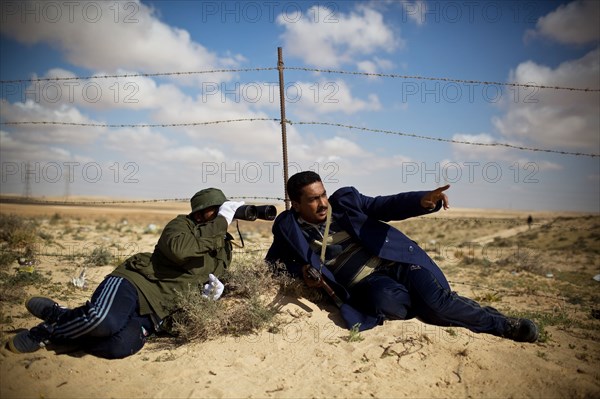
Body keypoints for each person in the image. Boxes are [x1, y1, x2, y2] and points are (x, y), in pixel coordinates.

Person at [266, 171, 538, 343]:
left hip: (398, 264)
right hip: (367, 284)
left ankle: (505, 325)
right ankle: (446, 304)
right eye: (313, 199)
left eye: (323, 194)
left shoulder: (346, 202)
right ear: (297, 204)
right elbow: (274, 264)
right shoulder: (288, 228)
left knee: (437, 307)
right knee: (397, 305)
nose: (323, 202)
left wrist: (420, 200)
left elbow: (384, 204)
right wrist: (300, 271)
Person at [8, 188, 245, 358]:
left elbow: (210, 279)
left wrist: (211, 295)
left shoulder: (223, 246)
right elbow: (181, 251)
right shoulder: (181, 226)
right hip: (136, 285)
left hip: (157, 312)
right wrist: (221, 221)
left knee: (117, 347)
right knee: (103, 320)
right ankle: (47, 331)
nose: (224, 217)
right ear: (201, 214)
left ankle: (65, 320)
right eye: (217, 212)